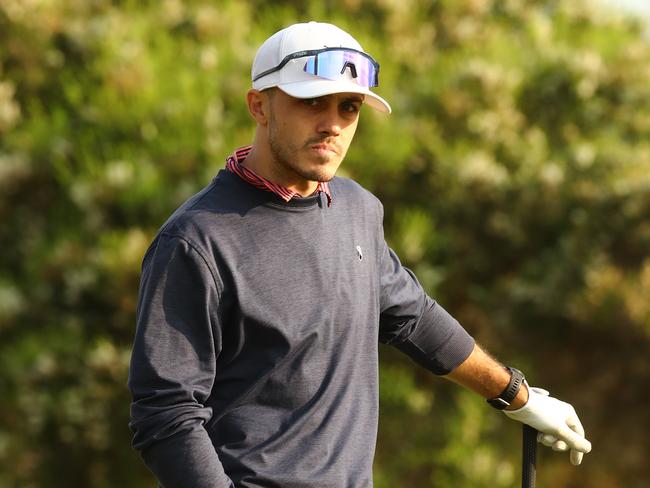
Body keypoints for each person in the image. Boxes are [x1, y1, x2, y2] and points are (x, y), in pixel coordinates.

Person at [128, 21, 592, 488]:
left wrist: (518, 396)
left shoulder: (357, 209)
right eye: (311, 102)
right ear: (259, 105)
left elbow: (414, 319)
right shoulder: (195, 242)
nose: (332, 124)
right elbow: (166, 416)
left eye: (348, 107)